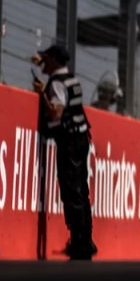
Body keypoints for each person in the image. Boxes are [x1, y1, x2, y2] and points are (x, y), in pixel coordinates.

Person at [32, 44, 95, 260]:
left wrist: (42, 94)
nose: (43, 62)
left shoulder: (57, 84)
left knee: (71, 191)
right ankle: (86, 239)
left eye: (46, 58)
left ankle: (79, 242)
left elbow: (55, 113)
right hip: (81, 137)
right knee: (81, 190)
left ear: (55, 60)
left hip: (69, 140)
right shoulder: (72, 79)